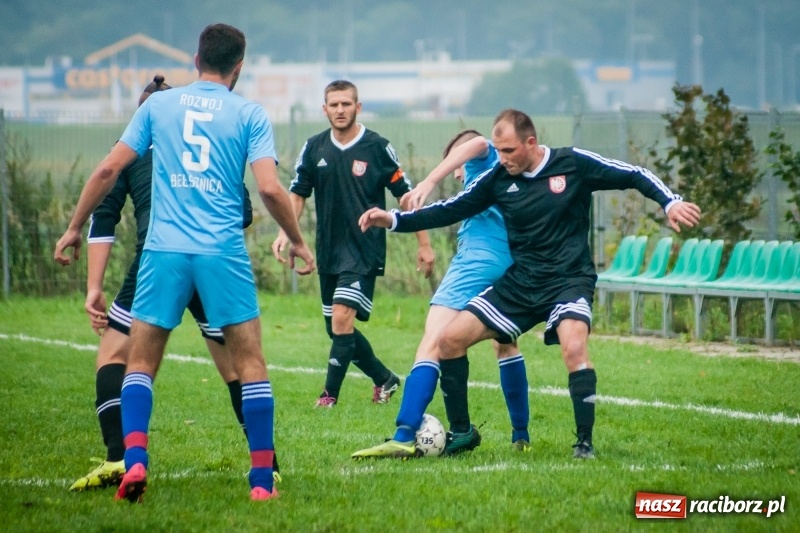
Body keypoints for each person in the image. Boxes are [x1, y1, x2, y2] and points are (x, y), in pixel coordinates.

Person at [55, 23, 315, 502]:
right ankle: (262, 482)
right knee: (250, 363)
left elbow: (109, 169)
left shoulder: (157, 105)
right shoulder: (249, 113)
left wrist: (74, 227)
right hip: (221, 253)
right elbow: (271, 189)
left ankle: (134, 461)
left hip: (163, 253)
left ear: (196, 60)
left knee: (140, 362)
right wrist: (297, 240)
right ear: (239, 67)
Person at [353, 108, 701, 460]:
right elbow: (451, 209)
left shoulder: (572, 163)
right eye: (498, 151)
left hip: (568, 280)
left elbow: (633, 174)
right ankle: (461, 432)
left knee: (573, 347)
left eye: (507, 151)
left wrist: (669, 202)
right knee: (449, 340)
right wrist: (394, 219)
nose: (501, 159)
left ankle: (584, 444)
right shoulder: (499, 178)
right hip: (521, 284)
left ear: (531, 143)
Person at [271, 79, 434, 408]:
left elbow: (406, 196)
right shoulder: (315, 147)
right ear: (325, 109)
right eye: (334, 104)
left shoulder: (377, 147)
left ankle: (328, 397)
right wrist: (285, 232)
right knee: (337, 331)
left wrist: (424, 242)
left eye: (346, 104)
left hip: (364, 250)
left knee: (343, 319)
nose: (340, 110)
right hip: (329, 249)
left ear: (357, 107)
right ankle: (384, 378)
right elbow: (298, 195)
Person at [398, 130, 530, 455]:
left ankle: (403, 433)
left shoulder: (479, 164)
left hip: (476, 265)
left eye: (454, 161)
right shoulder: (503, 180)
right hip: (512, 266)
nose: (455, 170)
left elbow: (478, 143)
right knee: (505, 344)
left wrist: (428, 181)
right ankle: (520, 434)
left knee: (433, 342)